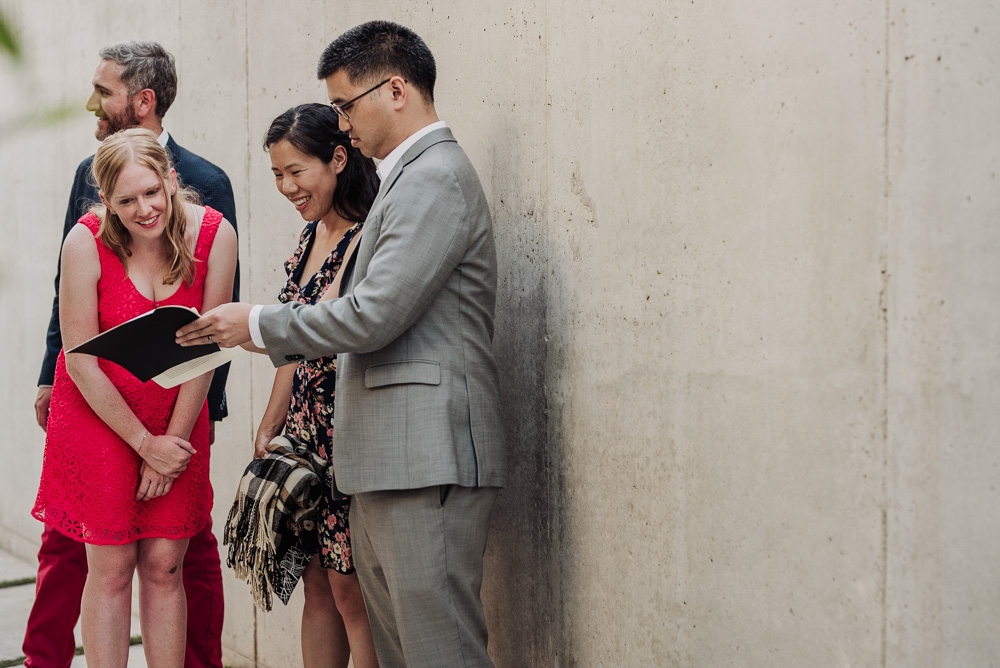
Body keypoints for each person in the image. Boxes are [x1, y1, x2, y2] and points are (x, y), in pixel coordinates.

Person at [178, 21, 506, 667]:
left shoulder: (434, 175)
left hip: (426, 458)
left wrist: (261, 324)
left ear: (396, 90)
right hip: (390, 461)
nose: (342, 122)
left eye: (345, 104)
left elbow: (374, 314)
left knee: (441, 652)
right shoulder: (407, 177)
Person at [26, 41, 236, 668]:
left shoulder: (212, 226)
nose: (144, 210)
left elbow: (211, 344)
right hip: (99, 411)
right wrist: (141, 444)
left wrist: (171, 444)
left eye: (153, 194)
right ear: (106, 204)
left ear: (173, 180)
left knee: (168, 562)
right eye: (125, 202)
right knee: (109, 564)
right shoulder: (86, 240)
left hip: (178, 406)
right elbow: (79, 350)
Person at [255, 103, 379, 667]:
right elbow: (291, 338)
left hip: (347, 438)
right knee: (317, 587)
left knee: (352, 591)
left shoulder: (365, 238)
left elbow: (329, 330)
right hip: (304, 440)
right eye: (277, 174)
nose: (286, 186)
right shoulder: (309, 238)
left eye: (295, 171)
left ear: (337, 158)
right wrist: (271, 423)